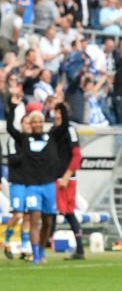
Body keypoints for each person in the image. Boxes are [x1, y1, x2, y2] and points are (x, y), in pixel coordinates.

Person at [6, 94, 66, 264]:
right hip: (32, 186)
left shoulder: (51, 137)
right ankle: (35, 255)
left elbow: (65, 125)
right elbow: (10, 128)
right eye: (34, 122)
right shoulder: (24, 140)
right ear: (30, 125)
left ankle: (41, 248)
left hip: (48, 185)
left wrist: (60, 105)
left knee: (47, 221)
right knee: (33, 218)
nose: (38, 124)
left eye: (40, 121)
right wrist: (12, 107)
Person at [52, 103, 85, 260]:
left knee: (68, 213)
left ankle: (80, 249)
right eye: (55, 111)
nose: (57, 115)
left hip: (66, 178)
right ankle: (42, 246)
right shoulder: (53, 131)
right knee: (50, 212)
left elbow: (77, 155)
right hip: (53, 177)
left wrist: (66, 175)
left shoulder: (70, 130)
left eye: (60, 112)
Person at [3, 115, 32, 261]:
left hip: (31, 182)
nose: (29, 125)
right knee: (18, 214)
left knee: (28, 216)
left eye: (30, 123)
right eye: (26, 123)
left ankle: (25, 247)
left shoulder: (33, 140)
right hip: (17, 182)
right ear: (21, 124)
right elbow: (12, 159)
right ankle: (6, 241)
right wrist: (27, 155)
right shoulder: (14, 139)